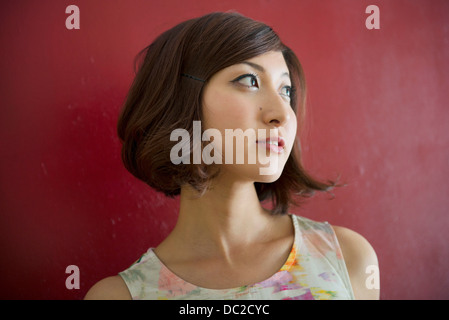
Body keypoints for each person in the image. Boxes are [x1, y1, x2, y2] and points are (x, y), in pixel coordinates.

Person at [85, 11, 379, 300]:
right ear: (180, 99)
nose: (282, 114)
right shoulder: (120, 296)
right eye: (250, 81)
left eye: (286, 90)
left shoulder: (347, 260)